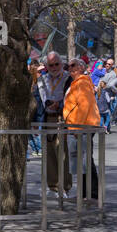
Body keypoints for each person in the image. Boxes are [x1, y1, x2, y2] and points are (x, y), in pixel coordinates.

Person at [63, 57, 101, 199]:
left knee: (85, 160)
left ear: (81, 68)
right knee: (82, 161)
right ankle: (86, 192)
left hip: (82, 126)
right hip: (78, 126)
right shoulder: (76, 83)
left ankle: (91, 193)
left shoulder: (83, 82)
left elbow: (84, 106)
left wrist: (76, 128)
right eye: (69, 66)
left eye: (74, 66)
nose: (70, 68)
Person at [39, 52, 71, 195]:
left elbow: (71, 98)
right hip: (47, 118)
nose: (54, 67)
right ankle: (53, 186)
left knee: (63, 154)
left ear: (62, 64)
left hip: (62, 118)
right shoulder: (42, 79)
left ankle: (65, 186)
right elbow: (40, 98)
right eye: (51, 65)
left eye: (56, 64)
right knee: (49, 153)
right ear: (46, 66)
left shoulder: (68, 78)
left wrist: (59, 104)